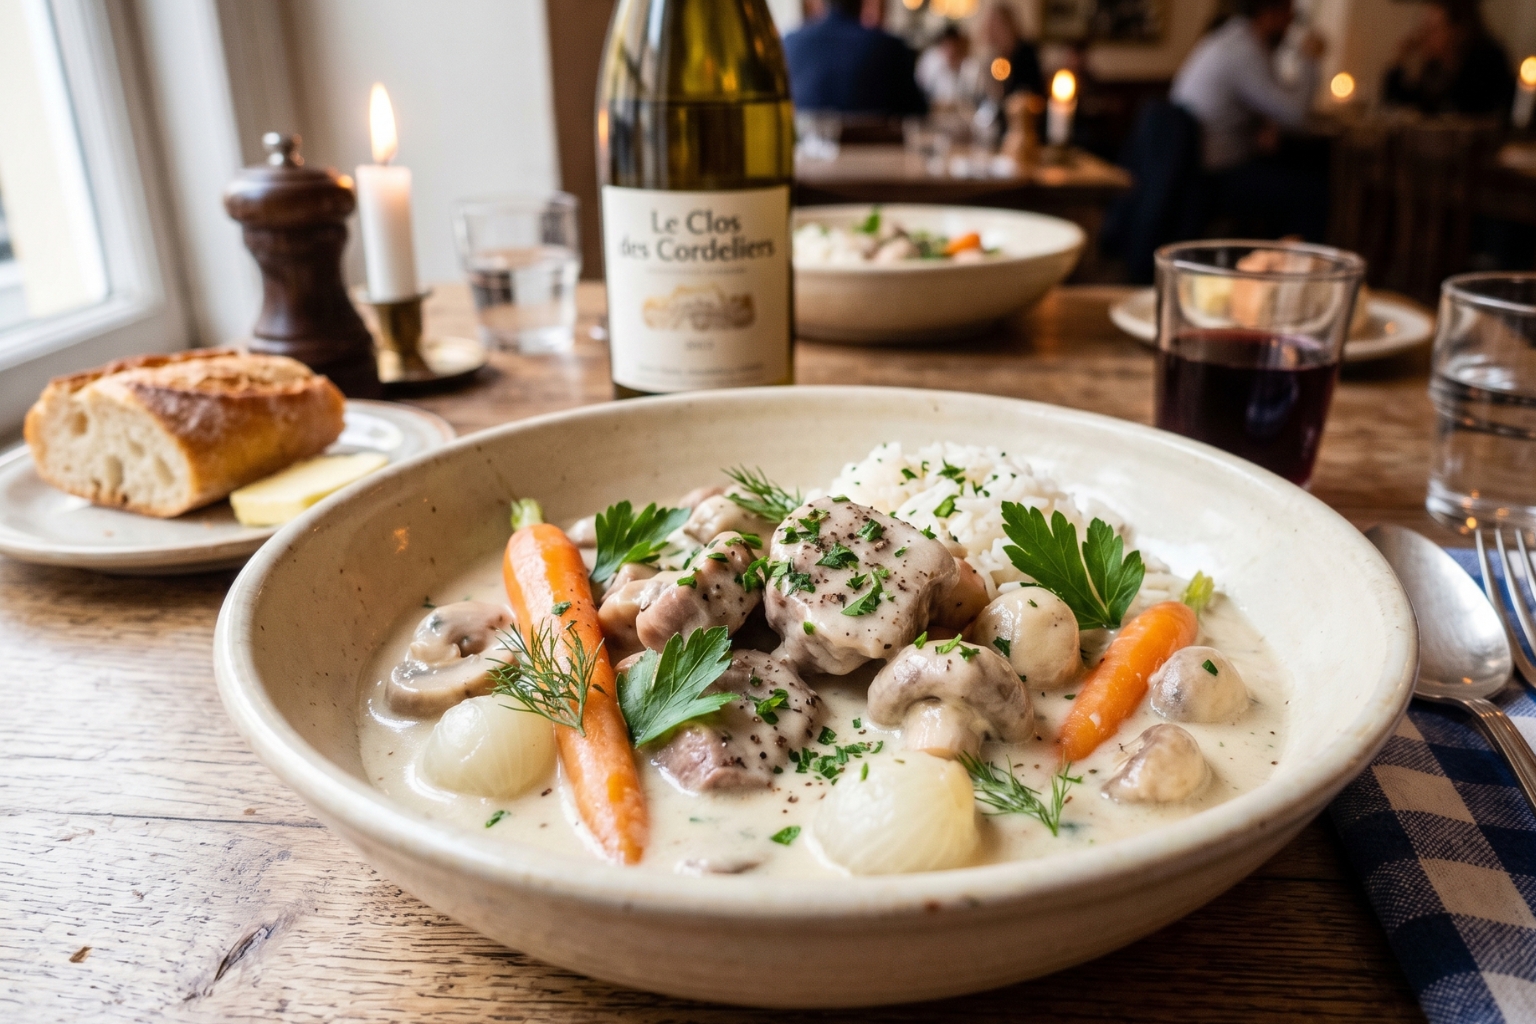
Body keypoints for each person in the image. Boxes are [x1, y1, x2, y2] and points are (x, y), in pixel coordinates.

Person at [1170, 0, 1328, 240]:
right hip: (1211, 175)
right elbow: (1295, 115)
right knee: (1311, 193)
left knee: (1292, 173)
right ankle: (1286, 260)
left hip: (1196, 166)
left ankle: (1272, 253)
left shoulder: (1231, 39)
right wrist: (1310, 60)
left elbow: (1274, 102)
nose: (1290, 26)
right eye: (1289, 17)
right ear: (1269, 14)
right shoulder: (1243, 51)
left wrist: (1265, 124)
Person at [782, 0, 927, 116]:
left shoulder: (789, 43)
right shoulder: (889, 46)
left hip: (806, 144)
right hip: (875, 144)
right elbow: (917, 111)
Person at [1383, 0, 1515, 116]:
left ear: (1458, 31)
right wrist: (1399, 60)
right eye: (1423, 28)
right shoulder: (1435, 70)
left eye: (1433, 29)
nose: (1423, 36)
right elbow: (1400, 103)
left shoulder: (1485, 65)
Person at [916, 25, 985, 110]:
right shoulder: (930, 61)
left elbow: (976, 96)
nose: (951, 50)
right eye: (948, 46)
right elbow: (921, 90)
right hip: (934, 111)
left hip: (963, 112)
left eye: (955, 46)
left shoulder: (971, 66)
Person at [982, 4, 1043, 99]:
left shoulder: (1026, 52)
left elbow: (1028, 90)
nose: (992, 31)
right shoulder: (996, 56)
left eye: (996, 26)